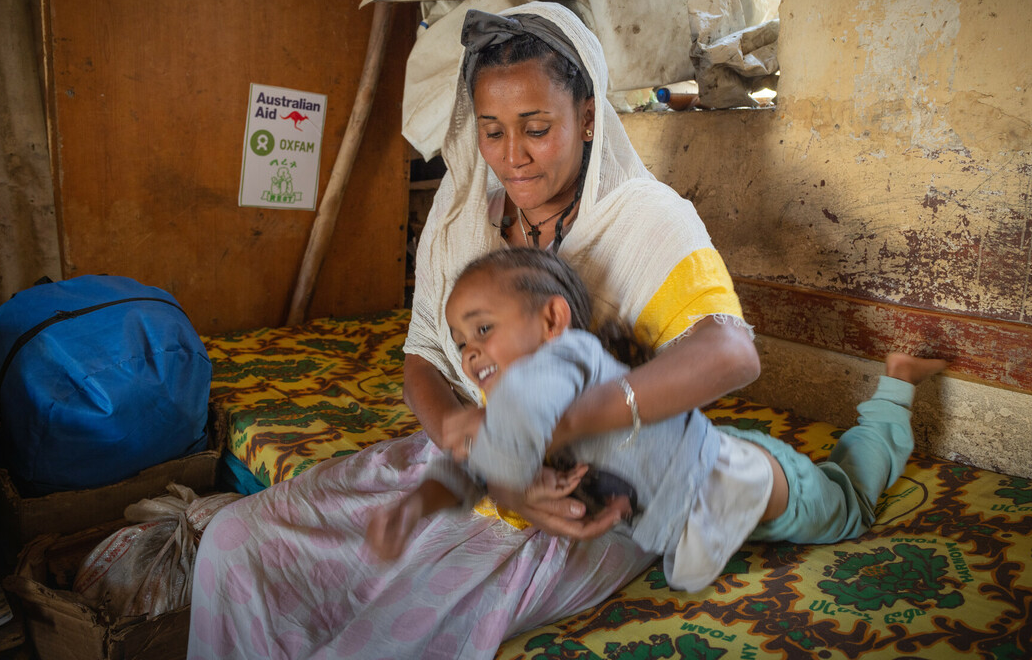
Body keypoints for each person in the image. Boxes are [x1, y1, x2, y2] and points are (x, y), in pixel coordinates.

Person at [185, 2, 761, 660]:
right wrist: (459, 434)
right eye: (492, 131)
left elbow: (730, 354)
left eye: (536, 128)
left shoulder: (644, 218)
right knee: (234, 542)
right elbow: (424, 354)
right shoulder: (464, 217)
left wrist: (564, 425)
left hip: (590, 489)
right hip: (472, 459)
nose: (511, 156)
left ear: (586, 117)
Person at [367, 248, 948, 591]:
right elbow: (483, 465)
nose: (470, 353)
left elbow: (510, 434)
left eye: (483, 328)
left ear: (551, 320)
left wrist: (498, 465)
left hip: (753, 483)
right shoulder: (516, 412)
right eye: (462, 341)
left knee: (850, 504)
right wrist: (423, 503)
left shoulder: (559, 362)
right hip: (694, 489)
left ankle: (894, 390)